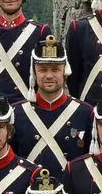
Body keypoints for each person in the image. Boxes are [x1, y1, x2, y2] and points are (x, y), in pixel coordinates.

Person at [14, 34, 94, 174]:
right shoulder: (16, 113)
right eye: (43, 69)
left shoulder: (85, 113)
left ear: (65, 71)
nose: (49, 75)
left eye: (55, 69)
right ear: (34, 72)